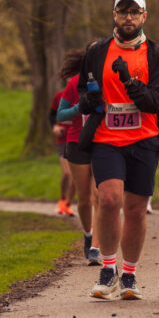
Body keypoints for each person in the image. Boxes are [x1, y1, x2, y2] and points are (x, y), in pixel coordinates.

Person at [78, 0, 159, 300]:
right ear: (114, 15)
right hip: (107, 138)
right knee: (108, 199)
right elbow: (84, 88)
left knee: (134, 209)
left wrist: (129, 82)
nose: (128, 17)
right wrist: (89, 99)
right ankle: (108, 271)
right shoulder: (97, 51)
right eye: (123, 11)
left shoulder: (156, 56)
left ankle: (129, 275)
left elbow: (153, 102)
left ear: (144, 16)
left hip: (144, 138)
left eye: (134, 12)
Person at [57, 48, 101, 265]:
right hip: (77, 142)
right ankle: (88, 235)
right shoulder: (74, 83)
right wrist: (78, 108)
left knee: (99, 194)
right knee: (84, 198)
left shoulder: (108, 80)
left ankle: (96, 247)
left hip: (103, 141)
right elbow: (60, 114)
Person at [49, 87, 75, 216]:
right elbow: (52, 114)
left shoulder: (84, 94)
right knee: (67, 173)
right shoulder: (60, 96)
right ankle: (62, 199)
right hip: (63, 139)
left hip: (78, 139)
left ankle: (69, 204)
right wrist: (55, 126)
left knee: (75, 176)